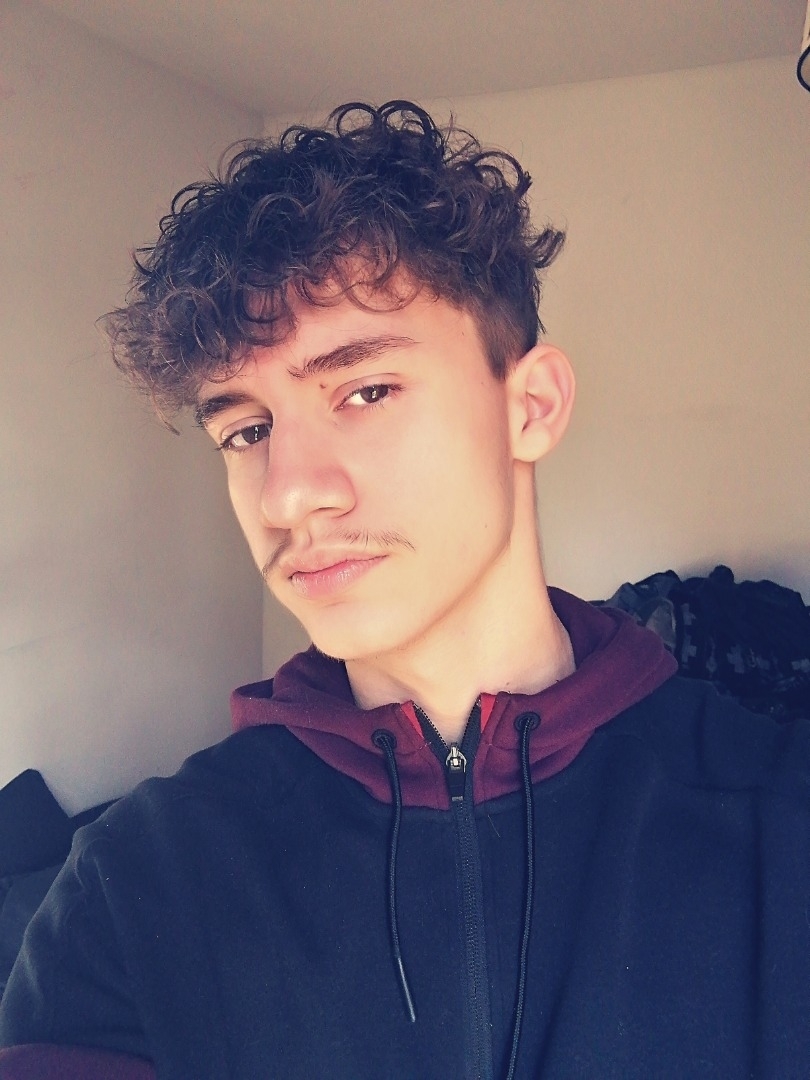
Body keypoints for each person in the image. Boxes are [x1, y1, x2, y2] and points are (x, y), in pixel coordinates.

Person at [1, 100, 809, 1080]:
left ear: (531, 406)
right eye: (247, 430)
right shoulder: (133, 886)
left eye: (364, 391)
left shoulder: (778, 819)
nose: (289, 493)